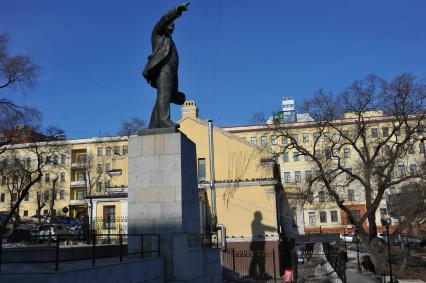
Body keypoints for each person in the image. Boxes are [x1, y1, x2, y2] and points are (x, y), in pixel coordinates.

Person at [143, 3, 190, 128]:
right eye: (171, 22)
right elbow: (164, 20)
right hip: (163, 69)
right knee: (164, 93)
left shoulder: (170, 41)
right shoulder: (157, 35)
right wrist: (176, 11)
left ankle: (154, 125)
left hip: (172, 71)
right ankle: (164, 120)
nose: (172, 25)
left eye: (173, 24)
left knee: (165, 95)